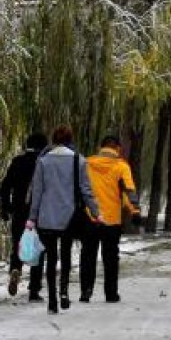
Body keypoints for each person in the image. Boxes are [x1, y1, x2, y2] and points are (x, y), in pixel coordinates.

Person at [27, 125, 101, 314]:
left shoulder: (43, 161)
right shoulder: (79, 160)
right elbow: (86, 191)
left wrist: (32, 217)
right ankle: (64, 293)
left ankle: (52, 300)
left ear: (54, 140)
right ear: (70, 140)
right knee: (66, 255)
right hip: (69, 217)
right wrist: (96, 212)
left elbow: (37, 192)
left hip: (47, 217)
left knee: (51, 258)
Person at [80, 133, 142, 303]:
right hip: (112, 220)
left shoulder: (87, 163)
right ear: (117, 148)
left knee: (88, 256)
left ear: (101, 147)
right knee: (110, 259)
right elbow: (129, 191)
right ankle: (111, 293)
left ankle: (86, 291)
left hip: (90, 217)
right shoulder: (121, 166)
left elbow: (81, 189)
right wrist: (135, 211)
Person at [0, 131, 48, 300]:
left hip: (20, 211)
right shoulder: (45, 163)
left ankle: (16, 268)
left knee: (18, 244)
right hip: (40, 213)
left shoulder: (18, 162)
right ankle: (34, 290)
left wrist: (6, 208)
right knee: (39, 249)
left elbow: (5, 186)